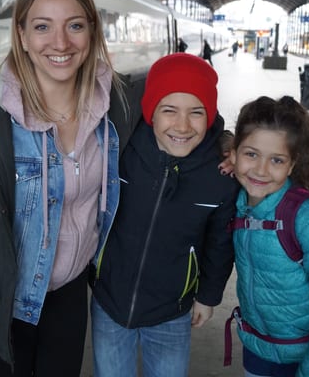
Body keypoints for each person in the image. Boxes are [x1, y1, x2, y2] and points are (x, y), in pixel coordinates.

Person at [0, 0, 130, 377]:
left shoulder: (115, 106)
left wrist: (225, 143)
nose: (60, 43)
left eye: (74, 26)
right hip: (8, 300)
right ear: (21, 36)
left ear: (92, 32)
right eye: (43, 27)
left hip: (72, 293)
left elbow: (181, 113)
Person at [91, 53, 239, 377]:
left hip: (172, 309)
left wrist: (208, 296)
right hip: (109, 300)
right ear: (150, 113)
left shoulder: (220, 175)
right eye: (168, 110)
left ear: (211, 115)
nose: (182, 126)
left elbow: (220, 243)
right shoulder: (123, 150)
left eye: (196, 113)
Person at [229, 95, 309, 377]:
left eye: (276, 160)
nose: (261, 170)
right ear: (233, 154)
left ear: (292, 165)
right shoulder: (239, 203)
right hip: (258, 350)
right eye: (251, 154)